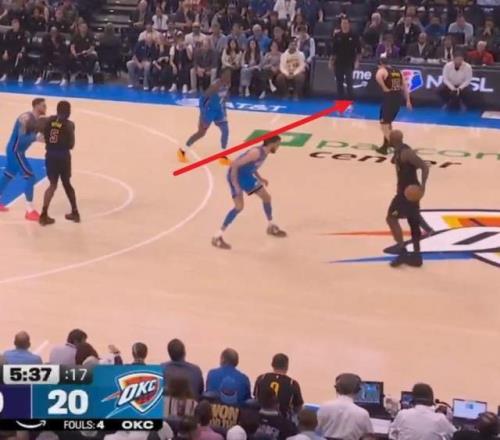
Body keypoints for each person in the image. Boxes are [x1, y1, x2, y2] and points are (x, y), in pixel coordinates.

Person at [211, 136, 287, 250]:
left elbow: (252, 166)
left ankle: (271, 226)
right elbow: (234, 165)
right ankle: (217, 236)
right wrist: (236, 185)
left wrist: (260, 178)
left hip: (247, 177)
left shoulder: (265, 153)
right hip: (236, 177)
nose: (278, 147)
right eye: (278, 144)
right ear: (272, 144)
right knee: (239, 207)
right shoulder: (256, 152)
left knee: (266, 198)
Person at [385, 130, 429, 268]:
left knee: (391, 218)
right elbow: (396, 161)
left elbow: (424, 167)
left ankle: (402, 251)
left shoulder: (406, 153)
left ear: (392, 140)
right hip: (407, 191)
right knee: (413, 222)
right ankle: (417, 257)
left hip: (407, 193)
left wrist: (423, 187)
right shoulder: (399, 151)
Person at [0, 98, 47, 220]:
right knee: (30, 177)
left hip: (17, 151)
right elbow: (21, 138)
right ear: (36, 106)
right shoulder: (25, 118)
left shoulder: (38, 120)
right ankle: (29, 211)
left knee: (8, 175)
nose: (45, 107)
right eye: (43, 105)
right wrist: (35, 138)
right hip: (16, 151)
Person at [178, 68, 231, 166]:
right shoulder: (215, 85)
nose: (228, 76)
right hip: (209, 111)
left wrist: (224, 110)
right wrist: (203, 113)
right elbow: (202, 99)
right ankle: (182, 151)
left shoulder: (227, 84)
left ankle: (223, 156)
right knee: (201, 133)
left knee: (226, 131)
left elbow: (224, 98)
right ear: (222, 75)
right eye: (227, 74)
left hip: (218, 111)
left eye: (229, 75)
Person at [39, 100, 80, 226]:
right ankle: (75, 212)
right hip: (63, 157)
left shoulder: (48, 121)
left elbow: (42, 132)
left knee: (52, 185)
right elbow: (71, 145)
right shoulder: (69, 125)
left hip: (50, 156)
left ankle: (43, 214)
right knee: (67, 184)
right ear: (68, 112)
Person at [388, 383, 456, 439]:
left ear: (413, 399)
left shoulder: (402, 415)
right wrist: (449, 417)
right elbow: (455, 435)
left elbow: (391, 435)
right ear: (431, 399)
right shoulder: (440, 419)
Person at [317, 373, 373, 440]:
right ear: (358, 390)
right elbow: (369, 437)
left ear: (336, 389)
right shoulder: (362, 413)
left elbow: (317, 429)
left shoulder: (324, 407)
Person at [374, 55, 412, 155]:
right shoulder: (398, 71)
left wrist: (384, 87)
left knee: (384, 125)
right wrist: (408, 100)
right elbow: (405, 86)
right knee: (388, 123)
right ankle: (384, 147)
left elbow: (378, 76)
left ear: (381, 64)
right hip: (397, 98)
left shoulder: (382, 70)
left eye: (378, 65)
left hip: (389, 99)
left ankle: (397, 147)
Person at [254, 353, 303, 419]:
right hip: (283, 419)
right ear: (287, 366)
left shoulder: (261, 378)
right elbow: (298, 407)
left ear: (272, 364)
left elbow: (256, 397)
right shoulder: (292, 383)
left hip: (260, 417)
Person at [329, 17, 361, 100]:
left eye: (346, 23)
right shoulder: (337, 35)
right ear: (341, 24)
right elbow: (333, 50)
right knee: (339, 81)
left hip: (349, 62)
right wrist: (331, 61)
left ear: (349, 24)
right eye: (343, 23)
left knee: (349, 81)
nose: (344, 25)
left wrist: (357, 61)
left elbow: (359, 50)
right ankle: (340, 98)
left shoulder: (354, 35)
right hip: (338, 61)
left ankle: (350, 98)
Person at [0, 18, 27, 83]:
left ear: (19, 25)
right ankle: (5, 74)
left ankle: (20, 75)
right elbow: (5, 44)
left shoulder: (22, 33)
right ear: (12, 25)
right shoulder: (9, 33)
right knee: (4, 57)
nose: (15, 26)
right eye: (14, 24)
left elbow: (24, 45)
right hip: (10, 50)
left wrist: (21, 52)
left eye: (16, 24)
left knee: (21, 58)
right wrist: (5, 52)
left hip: (19, 51)